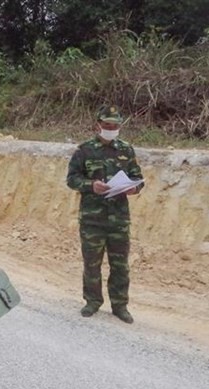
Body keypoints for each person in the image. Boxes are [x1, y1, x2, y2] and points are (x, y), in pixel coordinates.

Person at [66, 105, 144, 324]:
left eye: (115, 126)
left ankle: (120, 306)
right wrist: (91, 185)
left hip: (118, 219)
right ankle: (92, 301)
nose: (111, 129)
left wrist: (133, 188)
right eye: (107, 125)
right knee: (92, 263)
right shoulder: (84, 150)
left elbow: (138, 178)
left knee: (120, 265)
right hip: (92, 218)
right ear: (98, 125)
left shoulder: (127, 150)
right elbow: (71, 179)